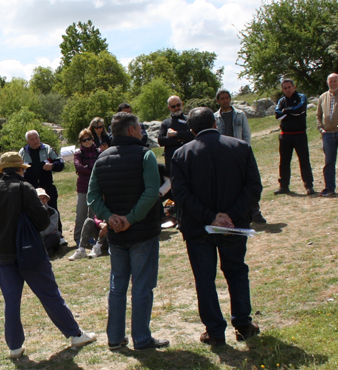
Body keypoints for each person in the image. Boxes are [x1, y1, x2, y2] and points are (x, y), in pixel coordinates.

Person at [0, 152, 97, 358]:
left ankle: (14, 347)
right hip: (30, 253)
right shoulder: (25, 188)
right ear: (20, 169)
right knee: (50, 295)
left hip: (3, 254)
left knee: (11, 303)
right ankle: (75, 334)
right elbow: (43, 221)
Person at [171, 107, 264, 345]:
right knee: (236, 271)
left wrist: (211, 217)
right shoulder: (240, 147)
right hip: (233, 224)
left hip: (198, 227)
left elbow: (181, 195)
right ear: (215, 123)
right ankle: (243, 323)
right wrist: (228, 215)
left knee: (204, 278)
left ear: (191, 129)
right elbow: (253, 188)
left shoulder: (182, 154)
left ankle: (214, 331)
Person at [88, 111, 167, 351]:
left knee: (117, 287)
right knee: (142, 286)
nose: (142, 132)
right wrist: (129, 219)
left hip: (117, 234)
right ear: (132, 130)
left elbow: (92, 198)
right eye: (140, 129)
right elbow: (152, 192)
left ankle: (115, 338)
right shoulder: (146, 156)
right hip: (141, 232)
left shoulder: (101, 159)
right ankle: (141, 339)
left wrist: (111, 218)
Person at [215, 89, 265, 224]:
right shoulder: (215, 117)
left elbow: (246, 134)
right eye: (222, 98)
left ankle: (255, 212)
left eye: (227, 98)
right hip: (223, 156)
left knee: (247, 183)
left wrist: (245, 151)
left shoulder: (240, 115)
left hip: (239, 154)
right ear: (218, 101)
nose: (225, 100)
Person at [274, 78, 315, 195]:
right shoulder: (281, 100)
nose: (287, 90)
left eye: (289, 87)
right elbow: (277, 114)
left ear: (294, 87)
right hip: (285, 136)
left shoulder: (301, 97)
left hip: (299, 135)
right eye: (285, 88)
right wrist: (292, 113)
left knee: (304, 161)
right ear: (282, 89)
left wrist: (286, 111)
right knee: (284, 162)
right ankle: (284, 186)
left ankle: (309, 185)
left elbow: (301, 109)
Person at [19, 130, 65, 232]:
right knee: (34, 212)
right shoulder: (22, 152)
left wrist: (52, 165)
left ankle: (58, 233)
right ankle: (37, 235)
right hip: (31, 189)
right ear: (27, 141)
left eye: (37, 138)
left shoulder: (47, 149)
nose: (36, 141)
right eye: (32, 139)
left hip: (47, 187)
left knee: (52, 210)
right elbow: (18, 169)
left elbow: (61, 164)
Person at [72, 127, 99, 243]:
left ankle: (91, 237)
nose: (87, 142)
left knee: (94, 215)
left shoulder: (99, 152)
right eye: (84, 140)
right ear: (80, 142)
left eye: (89, 139)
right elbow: (78, 167)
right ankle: (78, 238)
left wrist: (88, 168)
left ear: (92, 139)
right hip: (83, 187)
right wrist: (91, 170)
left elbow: (101, 166)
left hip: (96, 187)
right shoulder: (78, 153)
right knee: (81, 214)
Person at [157, 96, 194, 178]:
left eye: (178, 105)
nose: (176, 108)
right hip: (172, 160)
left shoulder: (190, 120)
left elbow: (193, 135)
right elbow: (161, 141)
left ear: (182, 104)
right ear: (169, 108)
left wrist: (175, 134)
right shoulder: (166, 123)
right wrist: (180, 138)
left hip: (189, 157)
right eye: (173, 106)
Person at [36, 188, 63, 256]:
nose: (42, 201)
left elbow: (50, 229)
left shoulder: (53, 212)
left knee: (54, 237)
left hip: (47, 238)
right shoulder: (29, 213)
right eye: (39, 198)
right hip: (36, 239)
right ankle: (45, 252)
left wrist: (37, 232)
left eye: (44, 198)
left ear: (47, 199)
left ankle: (39, 253)